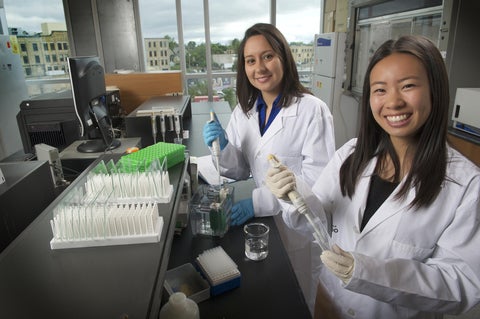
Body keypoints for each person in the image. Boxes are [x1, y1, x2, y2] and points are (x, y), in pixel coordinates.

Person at [265, 35, 480, 318]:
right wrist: (296, 195)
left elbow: (463, 284)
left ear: (435, 91)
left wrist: (366, 272)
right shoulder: (352, 155)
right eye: (380, 90)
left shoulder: (466, 185)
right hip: (330, 302)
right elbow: (322, 218)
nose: (393, 101)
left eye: (408, 86)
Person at [203, 22, 335, 314]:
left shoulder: (312, 111)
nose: (259, 67)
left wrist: (257, 202)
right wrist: (223, 146)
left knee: (296, 302)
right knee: (266, 298)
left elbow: (317, 183)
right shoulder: (245, 110)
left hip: (298, 230)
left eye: (267, 56)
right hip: (263, 229)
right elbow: (239, 168)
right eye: (250, 60)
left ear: (283, 58)